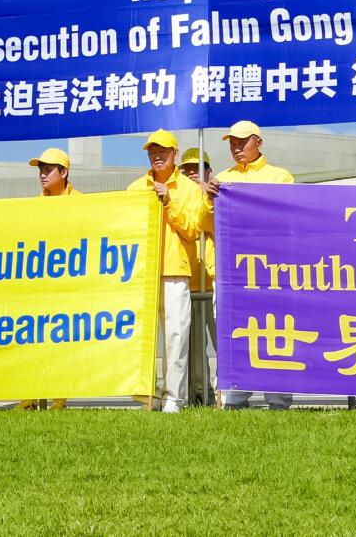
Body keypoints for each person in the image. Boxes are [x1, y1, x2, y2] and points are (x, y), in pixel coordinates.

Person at [205, 121, 295, 410]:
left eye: (242, 142)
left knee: (277, 329)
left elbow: (286, 218)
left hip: (272, 269)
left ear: (259, 142)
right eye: (232, 142)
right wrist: (209, 200)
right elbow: (205, 225)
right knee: (232, 330)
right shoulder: (222, 179)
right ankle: (234, 396)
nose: (236, 147)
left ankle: (278, 398)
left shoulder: (280, 177)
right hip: (231, 270)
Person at [126, 131, 205, 414]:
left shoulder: (189, 188)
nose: (157, 156)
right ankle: (148, 394)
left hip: (175, 270)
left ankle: (173, 396)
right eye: (152, 151)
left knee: (175, 335)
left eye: (162, 151)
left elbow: (193, 229)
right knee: (143, 337)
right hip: (143, 273)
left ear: (175, 153)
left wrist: (169, 200)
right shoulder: (136, 188)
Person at [19, 148, 80, 411]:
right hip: (39, 281)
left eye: (48, 170)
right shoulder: (34, 204)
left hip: (67, 282)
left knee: (61, 339)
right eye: (41, 170)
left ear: (64, 173)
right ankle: (29, 397)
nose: (42, 175)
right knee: (32, 337)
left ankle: (58, 398)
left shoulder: (81, 203)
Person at [180, 148, 217, 406]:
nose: (192, 173)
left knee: (222, 341)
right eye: (187, 169)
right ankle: (201, 394)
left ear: (208, 171)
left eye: (198, 168)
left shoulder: (216, 195)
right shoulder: (178, 197)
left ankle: (226, 392)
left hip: (213, 279)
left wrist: (207, 198)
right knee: (194, 348)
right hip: (189, 279)